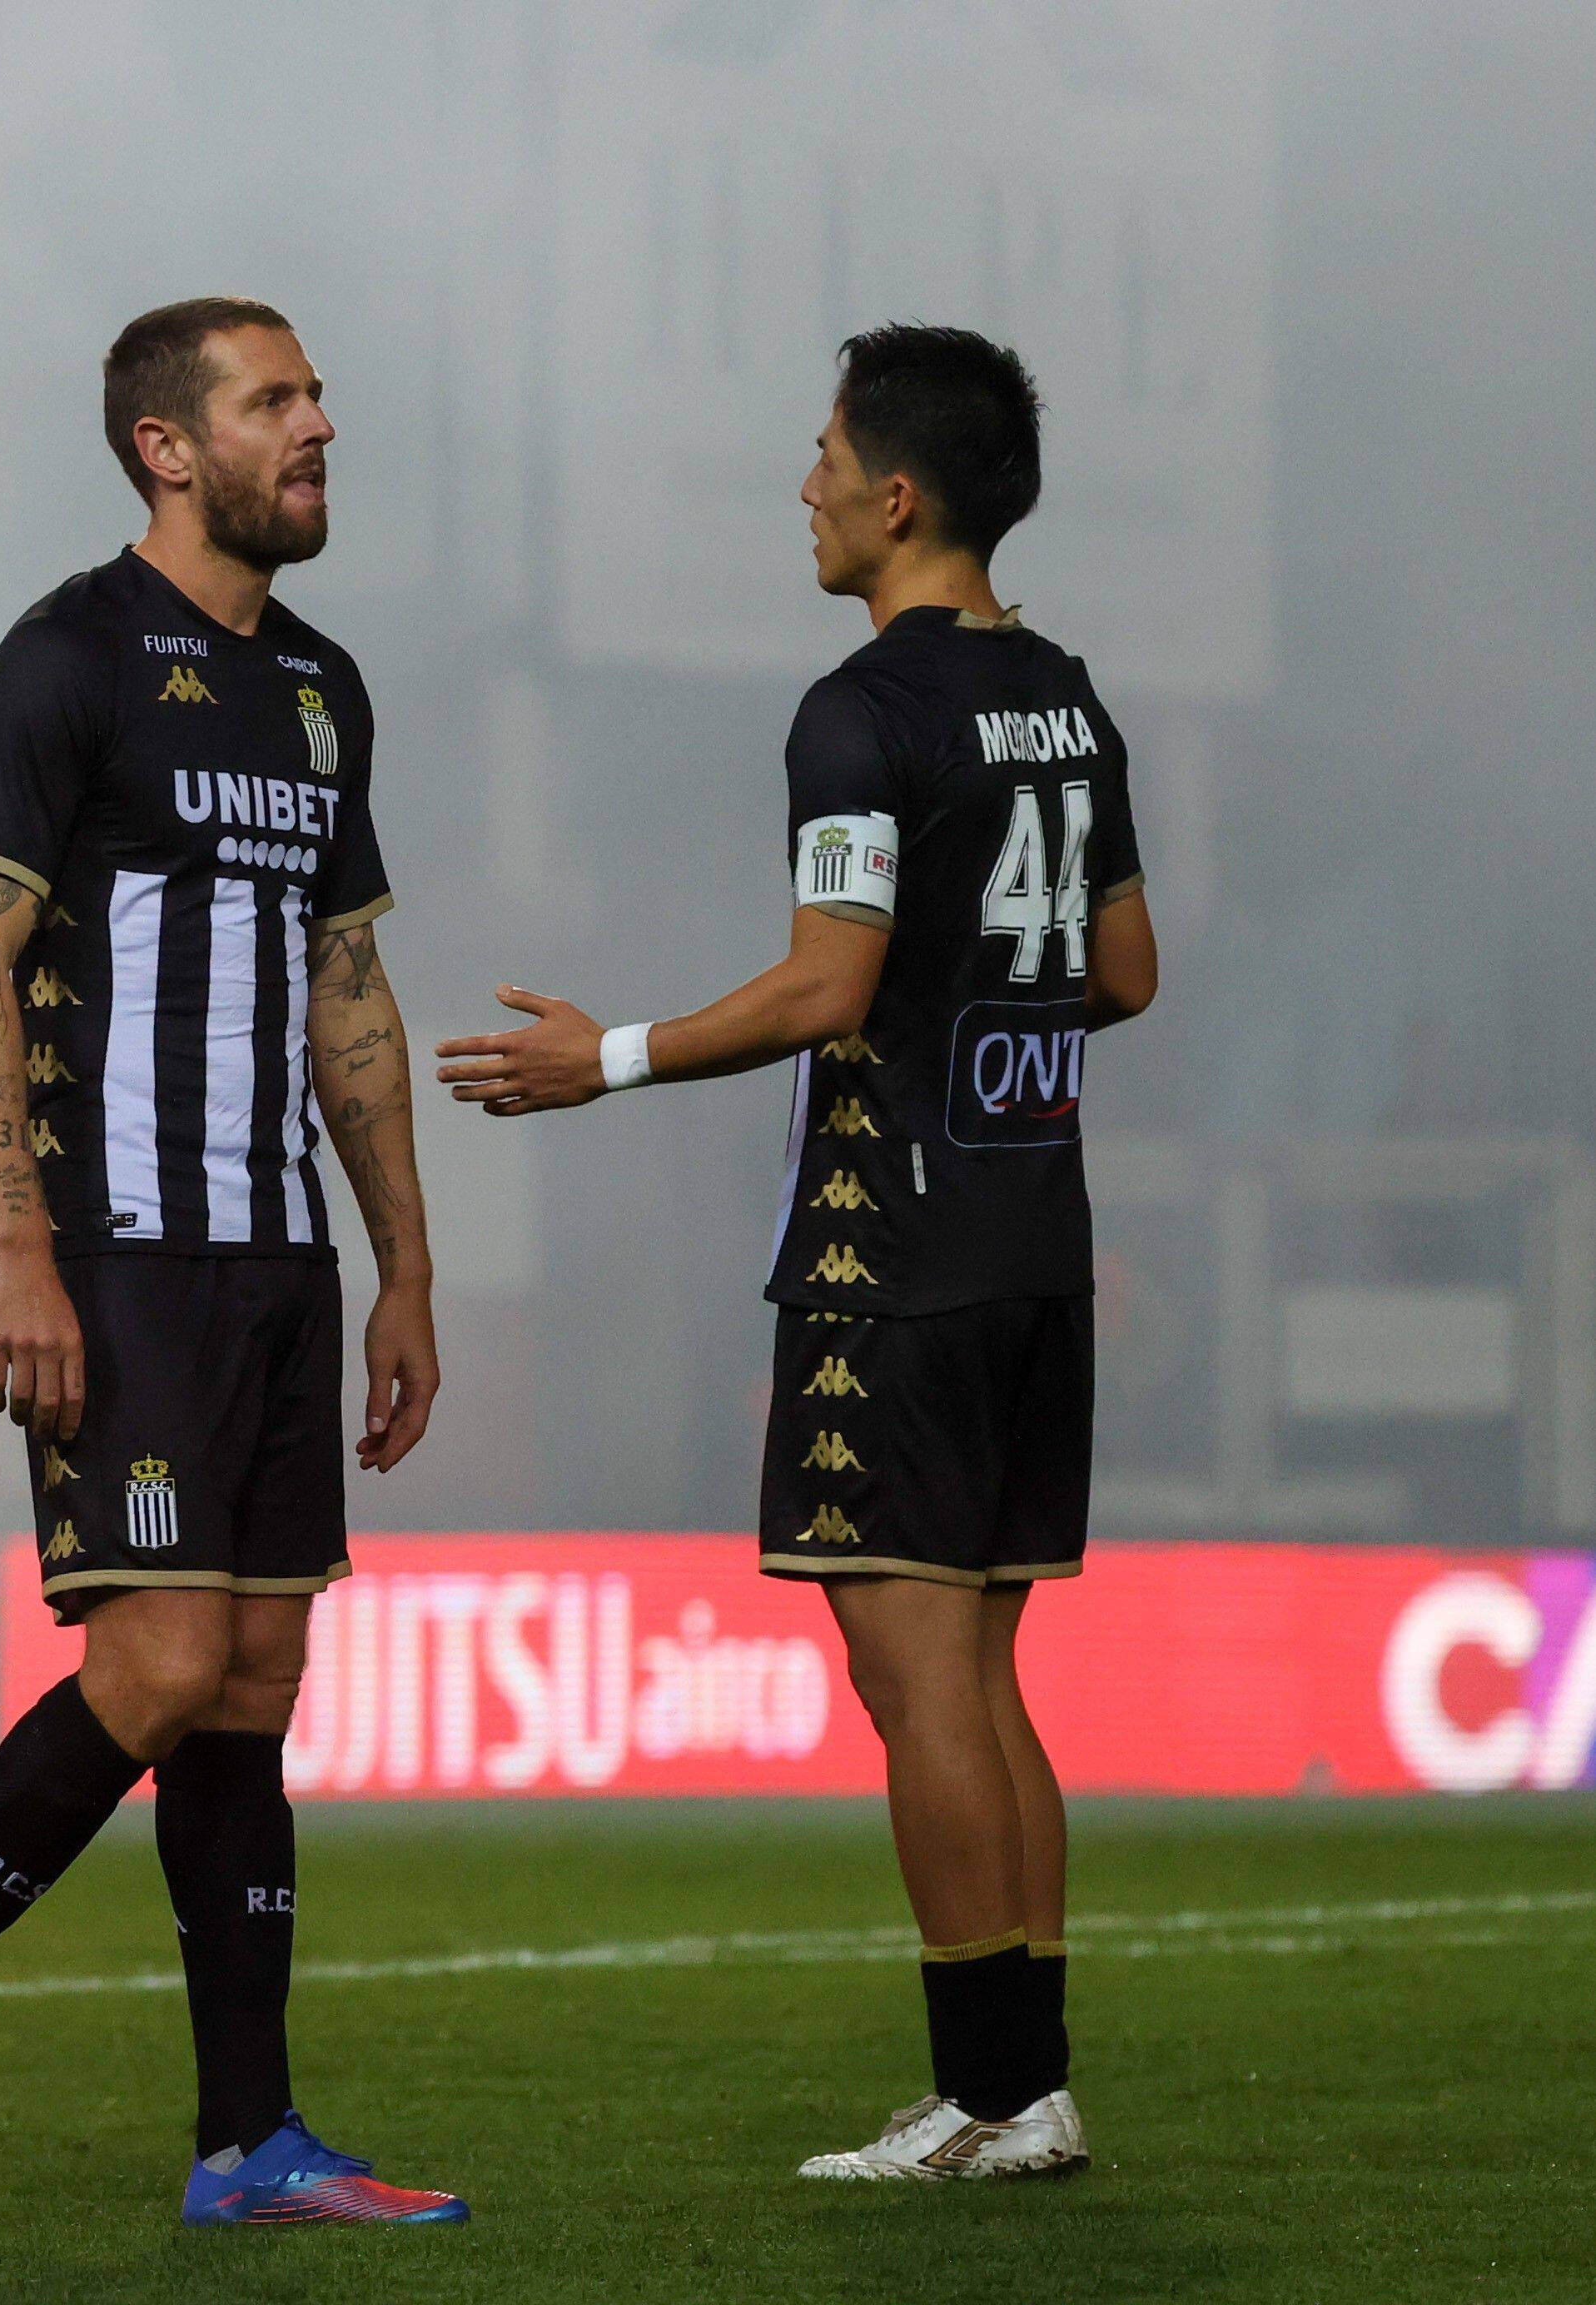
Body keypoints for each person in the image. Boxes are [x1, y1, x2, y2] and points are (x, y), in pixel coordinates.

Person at [433, 323, 1157, 2181]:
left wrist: (599, 1058)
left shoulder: (860, 708)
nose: (804, 486)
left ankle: (981, 2098)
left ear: (893, 493)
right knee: (985, 1680)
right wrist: (981, 1010)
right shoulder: (1066, 696)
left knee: (915, 1684)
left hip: (890, 1252)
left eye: (823, 453)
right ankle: (1029, 2083)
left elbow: (829, 981)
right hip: (1032, 1232)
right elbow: (1127, 973)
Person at [0, 295, 466, 2229]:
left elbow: (346, 986)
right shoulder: (64, 661)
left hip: (271, 1253)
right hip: (113, 1244)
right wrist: (14, 1243)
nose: (317, 425)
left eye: (316, 396)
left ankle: (245, 2138)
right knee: (161, 1655)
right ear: (163, 448)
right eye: (274, 402)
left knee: (253, 1684)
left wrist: (401, 1269)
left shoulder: (321, 688)